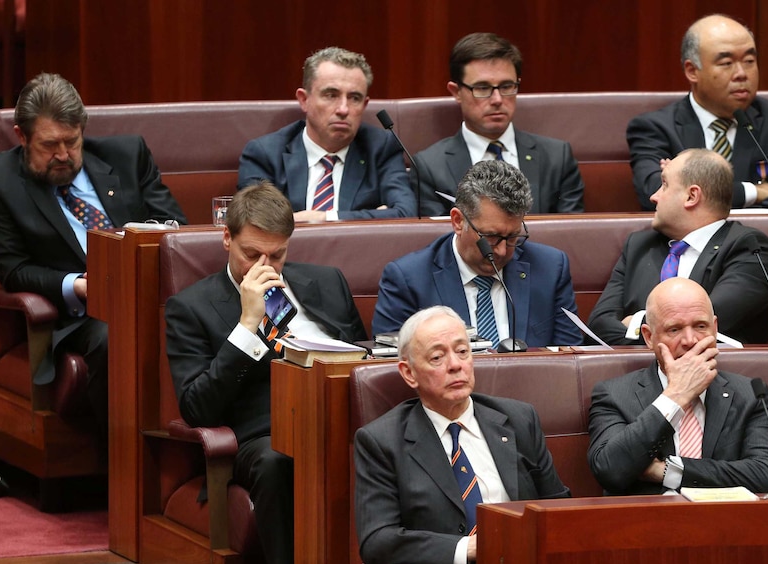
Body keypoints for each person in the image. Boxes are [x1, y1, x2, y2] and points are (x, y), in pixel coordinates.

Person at [164, 183, 367, 564]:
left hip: (342, 419)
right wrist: (247, 325)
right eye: (251, 254)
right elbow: (196, 407)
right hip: (265, 436)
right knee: (280, 461)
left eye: (277, 255)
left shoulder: (327, 282)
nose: (265, 267)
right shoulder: (191, 307)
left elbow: (362, 357)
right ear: (227, 238)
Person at [0, 72, 187, 440]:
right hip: (81, 315)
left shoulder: (127, 155)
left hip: (152, 293)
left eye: (71, 142)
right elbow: (13, 270)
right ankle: (122, 466)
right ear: (21, 136)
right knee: (111, 334)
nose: (63, 155)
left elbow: (175, 227)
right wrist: (78, 286)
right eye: (49, 145)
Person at [355, 306, 569, 564]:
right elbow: (377, 542)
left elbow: (559, 508)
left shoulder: (518, 419)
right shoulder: (381, 442)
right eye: (437, 357)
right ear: (409, 373)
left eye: (462, 351)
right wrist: (467, 548)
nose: (455, 365)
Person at [588, 278, 768, 496]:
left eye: (700, 326)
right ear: (649, 337)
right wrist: (676, 396)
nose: (690, 340)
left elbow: (766, 474)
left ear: (715, 329)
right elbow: (610, 470)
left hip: (727, 522)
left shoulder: (749, 393)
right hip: (646, 523)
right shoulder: (614, 394)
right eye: (674, 329)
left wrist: (668, 471)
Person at [372, 160, 582, 348]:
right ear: (457, 221)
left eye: (512, 237)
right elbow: (394, 365)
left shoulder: (550, 268)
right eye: (490, 237)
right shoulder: (408, 279)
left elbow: (568, 358)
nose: (501, 250)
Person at [588, 148, 768, 346]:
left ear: (692, 196)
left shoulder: (748, 247)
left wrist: (635, 324)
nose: (654, 196)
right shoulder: (639, 245)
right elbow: (598, 328)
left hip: (718, 372)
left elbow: (700, 327)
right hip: (636, 374)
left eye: (664, 185)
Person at [628, 14, 768, 211]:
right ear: (692, 71)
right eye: (726, 63)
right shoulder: (656, 128)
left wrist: (689, 191)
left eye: (749, 60)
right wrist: (753, 192)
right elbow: (654, 193)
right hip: (684, 242)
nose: (741, 73)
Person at [237, 46, 416, 221]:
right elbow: (254, 222)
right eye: (331, 95)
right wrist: (373, 215)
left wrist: (324, 217)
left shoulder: (381, 148)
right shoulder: (265, 153)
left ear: (364, 105)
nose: (343, 109)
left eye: (354, 98)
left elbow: (406, 213)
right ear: (304, 100)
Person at [415, 32, 584, 217]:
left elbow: (570, 234)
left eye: (506, 87)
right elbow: (438, 239)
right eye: (482, 88)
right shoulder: (430, 167)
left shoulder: (556, 158)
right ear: (456, 92)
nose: (497, 99)